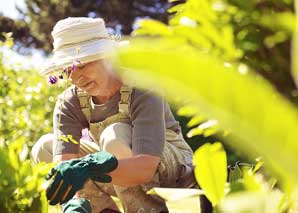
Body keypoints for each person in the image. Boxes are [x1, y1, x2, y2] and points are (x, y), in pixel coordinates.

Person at [32, 17, 196, 213]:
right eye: (68, 70)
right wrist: (72, 200)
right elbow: (65, 166)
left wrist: (89, 167)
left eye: (82, 65)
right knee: (45, 147)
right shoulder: (69, 101)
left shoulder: (142, 87)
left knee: (114, 136)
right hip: (115, 171)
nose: (75, 78)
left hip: (169, 169)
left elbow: (146, 166)